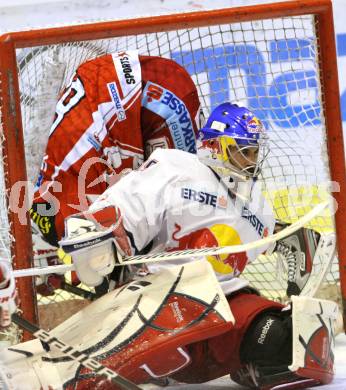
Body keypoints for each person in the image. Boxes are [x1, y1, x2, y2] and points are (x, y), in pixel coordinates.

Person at [47, 102, 329, 389]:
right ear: (215, 146)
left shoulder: (258, 206)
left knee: (303, 340)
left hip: (221, 311)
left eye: (255, 152)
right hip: (161, 304)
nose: (251, 160)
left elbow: (263, 238)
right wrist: (94, 232)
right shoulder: (178, 167)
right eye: (244, 151)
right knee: (82, 381)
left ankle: (253, 364)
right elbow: (129, 202)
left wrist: (288, 237)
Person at [30, 50, 202, 248]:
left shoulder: (67, 217)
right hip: (115, 80)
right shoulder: (50, 198)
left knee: (175, 190)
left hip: (146, 95)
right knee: (172, 190)